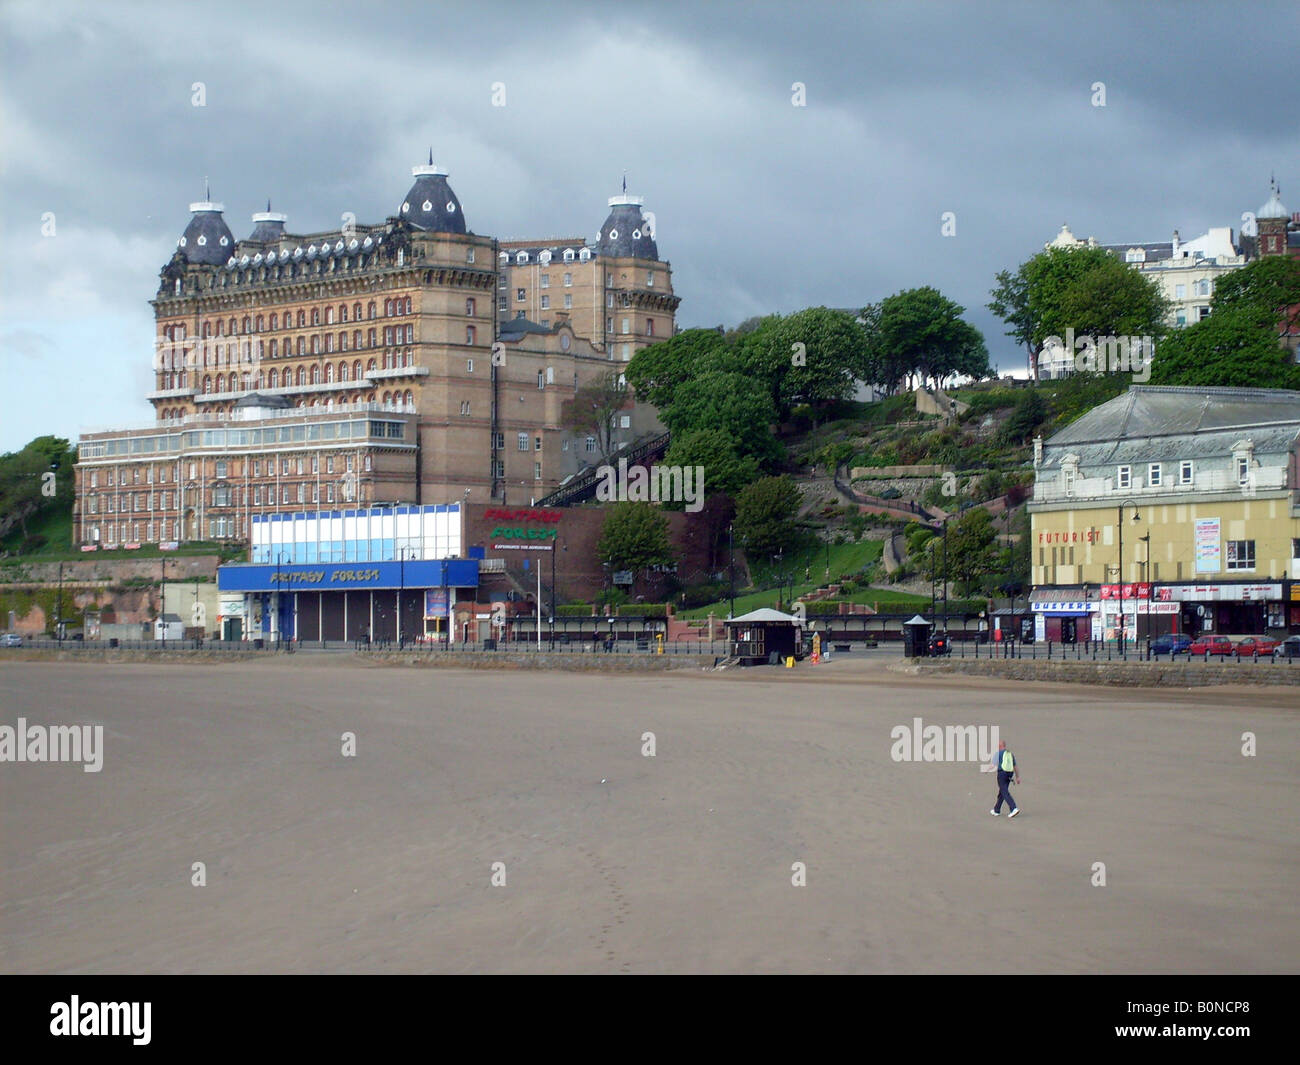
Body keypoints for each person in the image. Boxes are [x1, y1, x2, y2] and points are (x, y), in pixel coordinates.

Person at [990, 739, 1021, 818]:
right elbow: (1015, 766)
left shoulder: (998, 753)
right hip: (1009, 773)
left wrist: (986, 770)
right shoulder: (1010, 754)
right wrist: (1017, 777)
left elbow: (993, 765)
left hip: (1002, 773)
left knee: (1004, 791)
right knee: (1002, 791)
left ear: (1000, 746)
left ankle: (1013, 808)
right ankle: (996, 809)